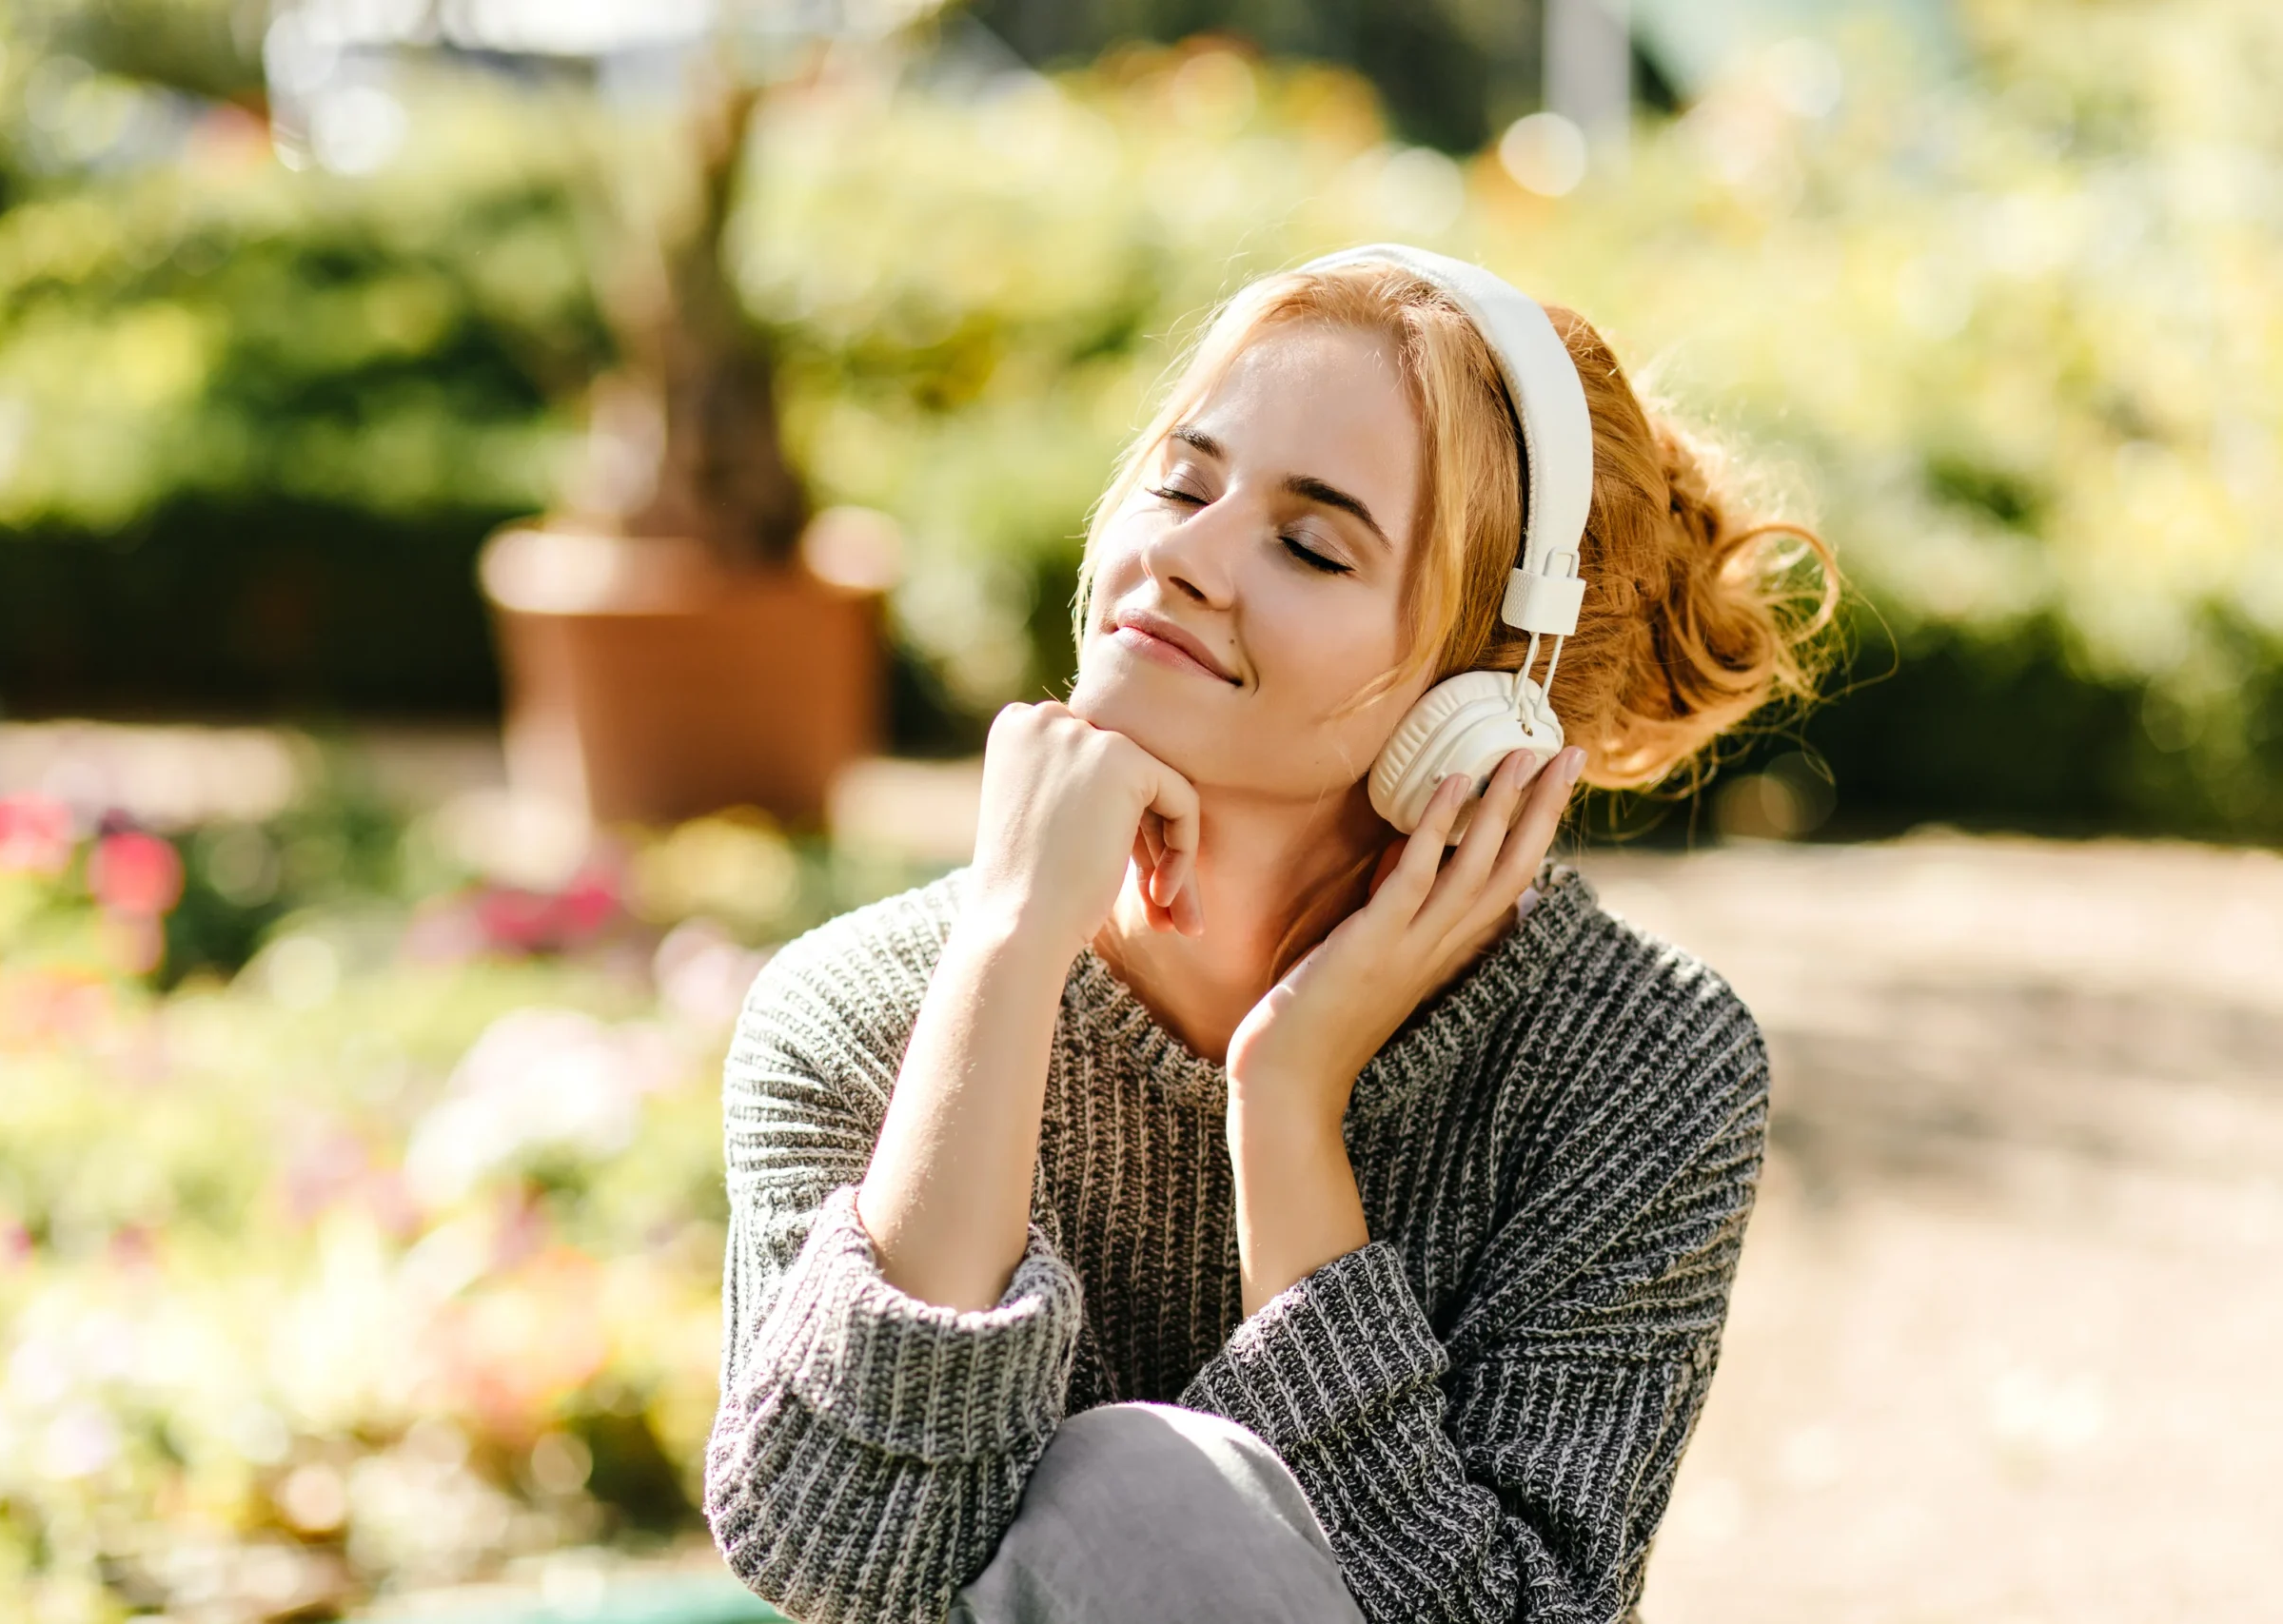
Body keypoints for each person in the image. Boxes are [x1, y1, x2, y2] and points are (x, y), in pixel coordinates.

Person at [701, 244, 1838, 1624]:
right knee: (1133, 1492)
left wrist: (1289, 1108)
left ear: (1484, 698)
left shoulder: (1635, 1057)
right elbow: (839, 1556)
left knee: (1140, 1492)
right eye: (1183, 484)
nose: (1179, 558)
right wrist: (1007, 949)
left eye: (1310, 545)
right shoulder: (856, 1011)